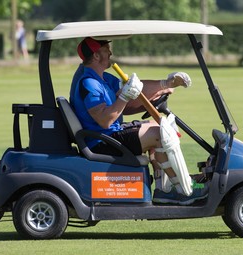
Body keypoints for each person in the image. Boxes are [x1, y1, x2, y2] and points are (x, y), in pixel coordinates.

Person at [70, 37, 208, 205]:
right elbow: (105, 120)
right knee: (160, 134)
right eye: (107, 50)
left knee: (157, 125)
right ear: (96, 56)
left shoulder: (104, 79)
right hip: (102, 141)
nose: (110, 53)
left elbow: (134, 92)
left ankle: (163, 189)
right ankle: (184, 190)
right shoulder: (89, 84)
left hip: (111, 135)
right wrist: (124, 96)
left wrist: (166, 83)